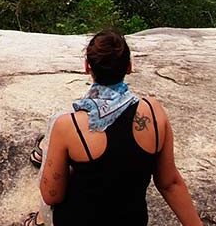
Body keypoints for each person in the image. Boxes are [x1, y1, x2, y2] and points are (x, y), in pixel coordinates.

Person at [34, 30, 203, 226]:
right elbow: (170, 183)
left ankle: (37, 220)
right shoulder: (153, 111)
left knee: (55, 129)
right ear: (129, 66)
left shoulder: (69, 126)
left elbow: (51, 196)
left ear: (87, 67)